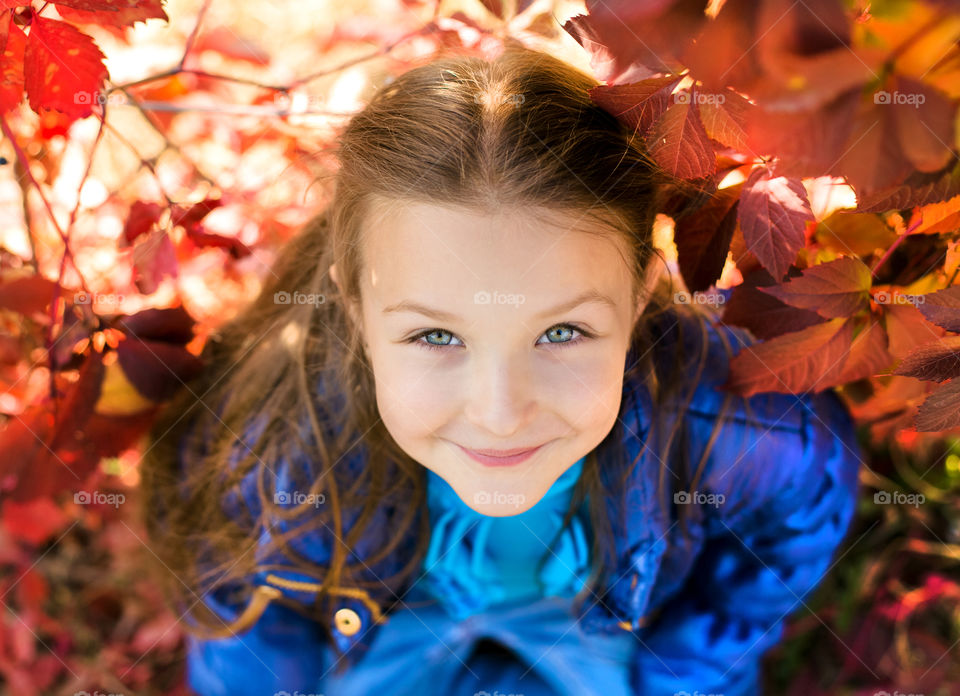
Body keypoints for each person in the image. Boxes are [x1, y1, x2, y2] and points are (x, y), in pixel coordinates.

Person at [140, 44, 863, 696]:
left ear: (640, 293)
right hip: (389, 620)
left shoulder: (757, 431)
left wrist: (680, 673)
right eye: (434, 336)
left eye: (562, 331)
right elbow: (241, 619)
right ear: (355, 304)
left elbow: (787, 536)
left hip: (604, 626)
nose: (499, 411)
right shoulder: (275, 446)